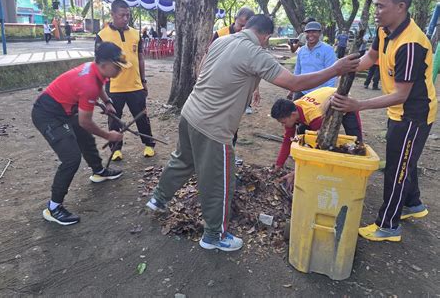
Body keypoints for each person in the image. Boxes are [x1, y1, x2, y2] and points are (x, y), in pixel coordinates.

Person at [146, 14, 360, 252]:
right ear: (266, 36)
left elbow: (211, 69)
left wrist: (251, 87)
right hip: (214, 127)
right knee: (219, 181)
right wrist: (336, 69)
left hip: (190, 113)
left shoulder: (222, 41)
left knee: (183, 159)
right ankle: (214, 235)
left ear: (247, 26)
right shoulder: (256, 53)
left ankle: (158, 199)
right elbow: (294, 84)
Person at [331, 0, 437, 242]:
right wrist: (347, 66)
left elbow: (402, 94)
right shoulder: (385, 29)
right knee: (404, 159)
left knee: (397, 167)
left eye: (381, 6)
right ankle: (414, 204)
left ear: (401, 7)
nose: (376, 10)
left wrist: (359, 105)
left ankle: (389, 225)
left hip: (414, 114)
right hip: (398, 112)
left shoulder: (411, 44)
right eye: (375, 5)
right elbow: (371, 58)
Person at [31, 42, 127, 225]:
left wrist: (107, 102)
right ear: (106, 64)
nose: (120, 71)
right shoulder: (88, 83)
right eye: (118, 67)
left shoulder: (95, 69)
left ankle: (98, 171)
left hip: (65, 109)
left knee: (85, 138)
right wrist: (109, 136)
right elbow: (85, 121)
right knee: (71, 158)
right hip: (47, 114)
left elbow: (100, 85)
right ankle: (53, 208)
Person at [96, 0, 156, 160]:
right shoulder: (102, 36)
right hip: (114, 87)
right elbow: (99, 63)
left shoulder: (136, 34)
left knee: (142, 116)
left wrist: (143, 81)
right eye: (122, 15)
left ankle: (149, 144)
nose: (125, 18)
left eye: (127, 15)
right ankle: (116, 149)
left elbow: (140, 58)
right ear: (113, 14)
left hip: (135, 85)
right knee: (114, 120)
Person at [271, 87, 363, 189]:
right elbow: (288, 140)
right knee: (302, 133)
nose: (282, 125)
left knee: (356, 141)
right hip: (322, 99)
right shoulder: (293, 108)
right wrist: (278, 165)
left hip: (343, 101)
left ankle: (357, 173)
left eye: (283, 122)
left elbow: (320, 150)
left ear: (293, 115)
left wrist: (296, 172)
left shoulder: (315, 117)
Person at [213, 7, 256, 115]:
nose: (242, 29)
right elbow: (209, 56)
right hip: (220, 79)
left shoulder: (251, 39)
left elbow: (253, 65)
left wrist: (256, 89)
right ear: (235, 18)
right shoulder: (221, 34)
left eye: (246, 27)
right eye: (240, 25)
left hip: (239, 81)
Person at [289, 21, 337, 101]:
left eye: (314, 32)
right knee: (296, 112)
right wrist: (292, 88)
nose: (310, 35)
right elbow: (297, 70)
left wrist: (328, 92)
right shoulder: (301, 51)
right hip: (302, 91)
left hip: (319, 93)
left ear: (320, 33)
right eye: (308, 32)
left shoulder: (327, 50)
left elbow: (333, 73)